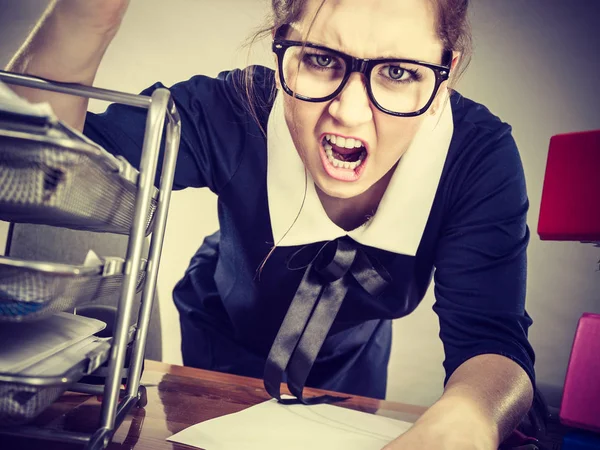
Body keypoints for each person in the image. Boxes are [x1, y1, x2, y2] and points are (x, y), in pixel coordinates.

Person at [6, 0, 537, 448]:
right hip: (224, 322)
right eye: (320, 58)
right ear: (282, 47)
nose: (349, 113)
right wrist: (86, 17)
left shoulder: (477, 157)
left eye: (399, 72)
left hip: (354, 347)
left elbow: (491, 341)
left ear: (444, 76)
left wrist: (467, 418)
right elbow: (47, 167)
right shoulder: (236, 108)